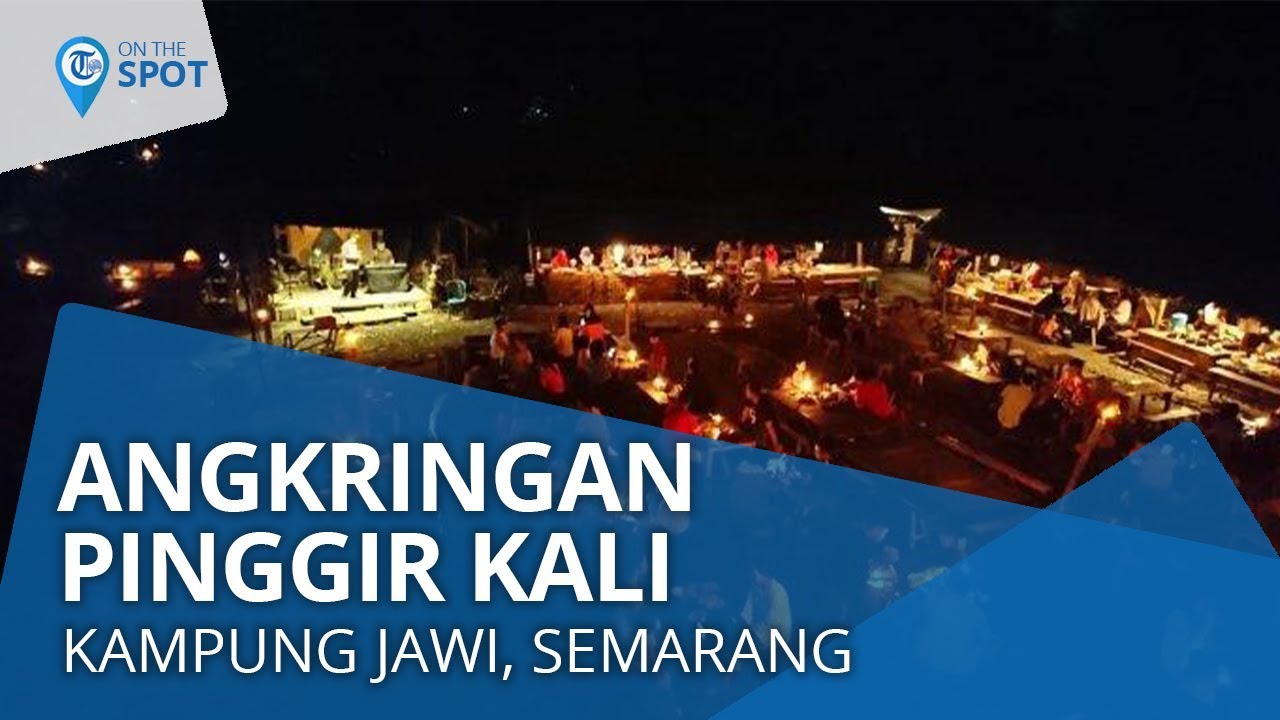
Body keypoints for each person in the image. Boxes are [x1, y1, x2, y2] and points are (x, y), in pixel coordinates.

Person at [741, 567, 792, 643]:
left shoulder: (779, 594)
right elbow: (746, 616)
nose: (754, 578)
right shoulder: (755, 588)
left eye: (755, 574)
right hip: (758, 636)